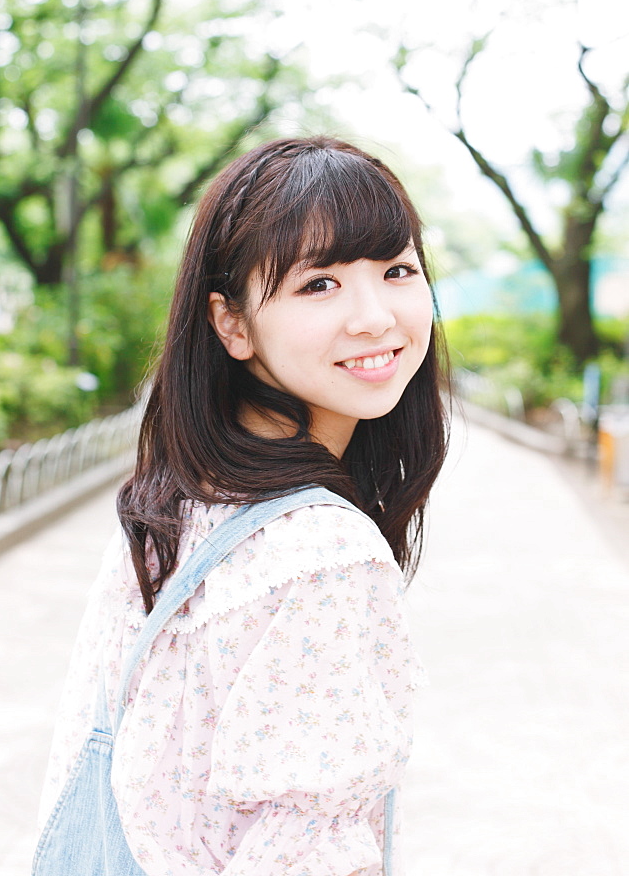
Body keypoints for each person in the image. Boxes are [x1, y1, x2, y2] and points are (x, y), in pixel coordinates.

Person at [34, 136, 448, 876]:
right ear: (230, 323)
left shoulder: (179, 502)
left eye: (397, 271)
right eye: (318, 284)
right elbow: (306, 852)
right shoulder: (321, 553)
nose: (375, 316)